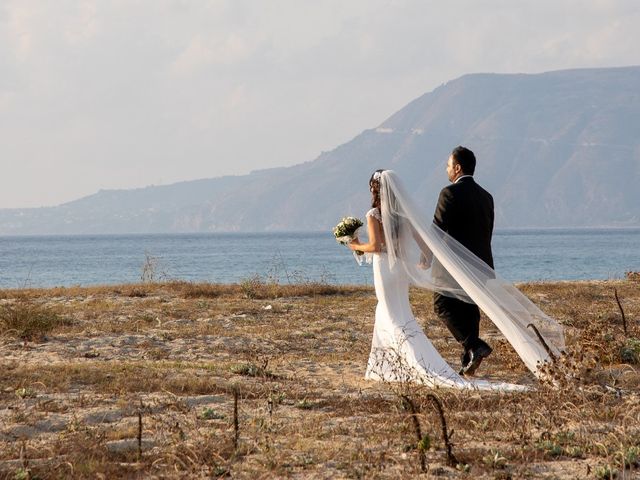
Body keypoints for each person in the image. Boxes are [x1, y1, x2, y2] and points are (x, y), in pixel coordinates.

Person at [347, 169, 565, 390]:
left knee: (389, 312)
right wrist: (421, 260)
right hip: (400, 272)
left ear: (375, 188)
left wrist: (354, 244)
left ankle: (400, 364)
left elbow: (375, 246)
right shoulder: (403, 216)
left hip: (384, 269)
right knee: (401, 313)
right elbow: (425, 250)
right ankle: (387, 365)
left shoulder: (373, 214)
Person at [433, 146, 494, 376]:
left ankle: (473, 345)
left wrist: (426, 256)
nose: (446, 169)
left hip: (454, 267)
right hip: (481, 266)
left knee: (442, 304)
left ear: (457, 168)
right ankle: (469, 361)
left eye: (448, 165)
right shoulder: (486, 196)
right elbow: (487, 232)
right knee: (469, 310)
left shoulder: (449, 193)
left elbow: (437, 231)